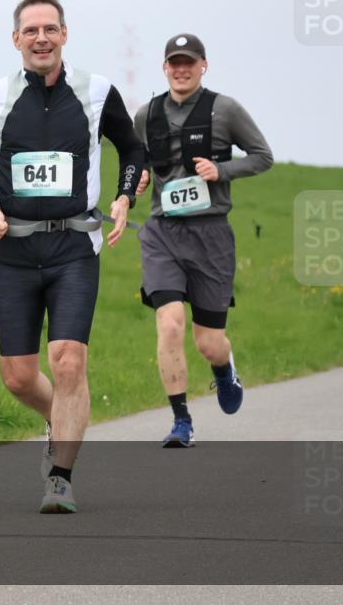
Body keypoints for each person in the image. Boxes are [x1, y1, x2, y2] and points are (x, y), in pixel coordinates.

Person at [0, 0, 144, 513]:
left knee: (67, 360)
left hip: (73, 247)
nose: (41, 38)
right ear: (15, 39)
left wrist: (124, 196)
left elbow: (133, 148)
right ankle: (57, 418)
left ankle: (60, 477)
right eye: (31, 30)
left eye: (50, 29)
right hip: (13, 251)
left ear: (64, 34)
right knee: (18, 376)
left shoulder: (96, 92)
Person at [133, 33, 273, 447]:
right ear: (164, 68)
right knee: (169, 323)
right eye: (174, 63)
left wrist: (221, 171)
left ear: (203, 66)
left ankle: (224, 370)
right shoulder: (146, 114)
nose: (181, 69)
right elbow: (136, 158)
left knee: (209, 342)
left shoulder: (225, 109)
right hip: (162, 232)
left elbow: (263, 156)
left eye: (189, 63)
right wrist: (139, 177)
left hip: (211, 234)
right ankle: (181, 421)